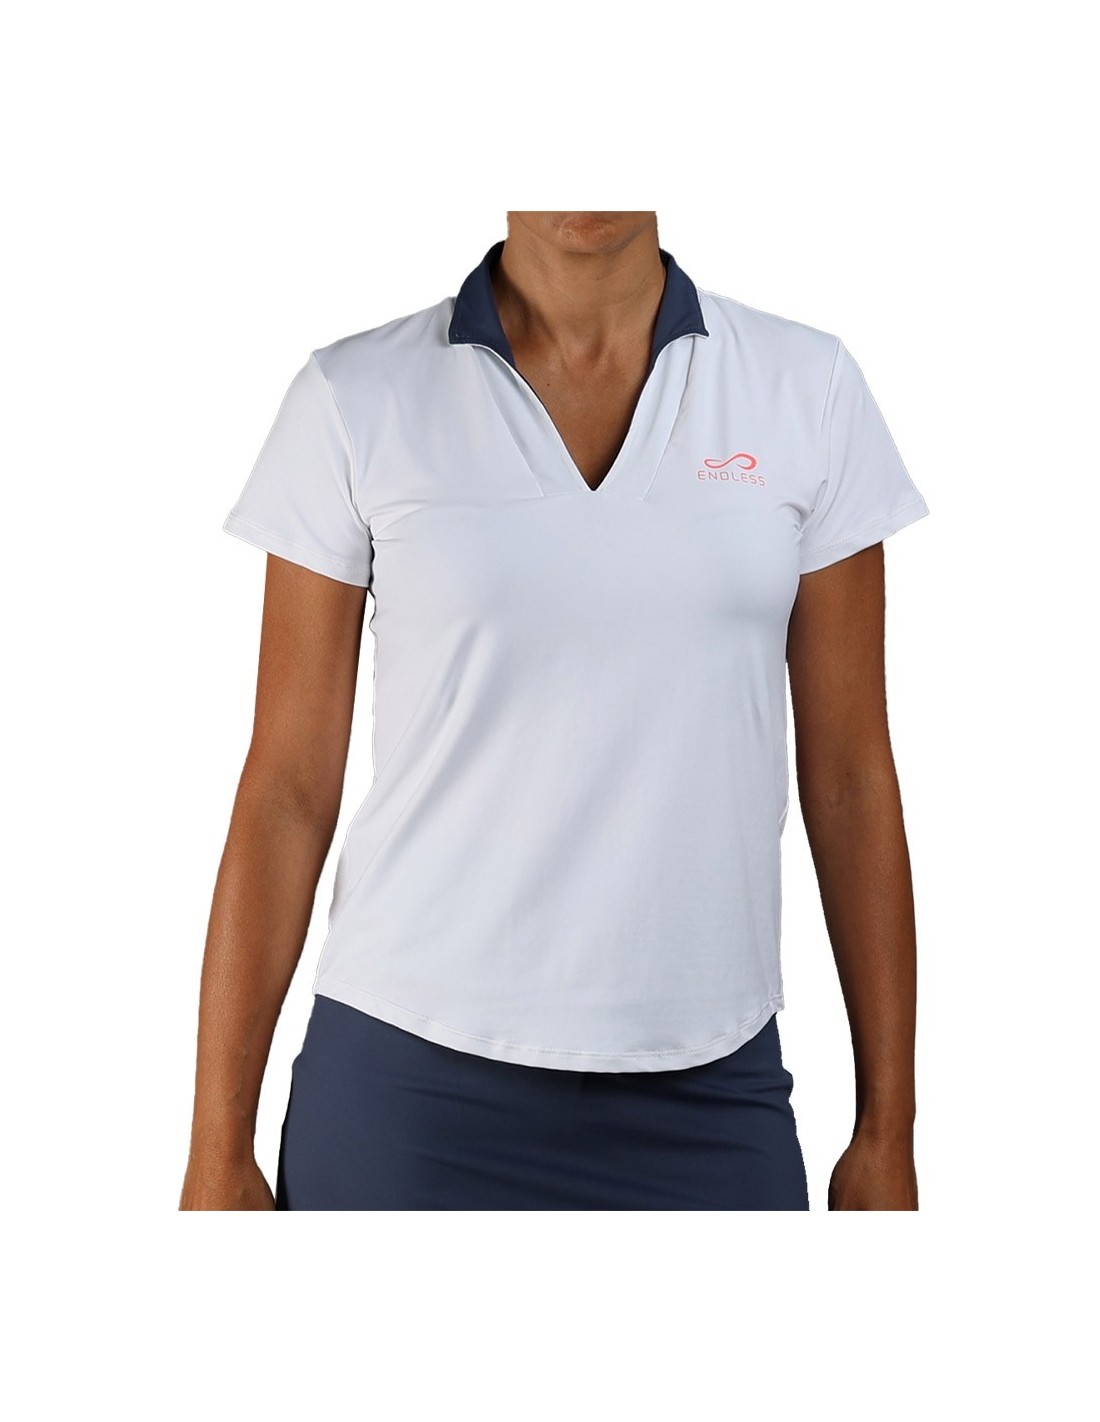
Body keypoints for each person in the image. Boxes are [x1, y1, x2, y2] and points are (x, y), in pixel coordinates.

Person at [179, 211, 928, 1211]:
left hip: (710, 1088)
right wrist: (216, 1149)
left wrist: (886, 1129)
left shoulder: (805, 388)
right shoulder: (354, 397)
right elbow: (285, 790)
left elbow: (851, 779)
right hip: (407, 1088)